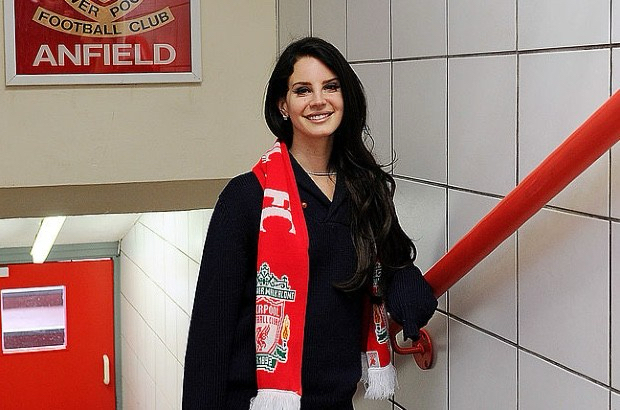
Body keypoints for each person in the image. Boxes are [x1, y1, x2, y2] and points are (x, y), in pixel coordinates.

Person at [183, 37, 437, 410]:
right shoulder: (247, 198)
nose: (318, 100)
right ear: (283, 105)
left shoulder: (365, 190)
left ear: (345, 97)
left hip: (335, 400)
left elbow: (394, 260)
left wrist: (407, 289)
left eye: (330, 87)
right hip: (256, 402)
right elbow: (211, 332)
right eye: (303, 90)